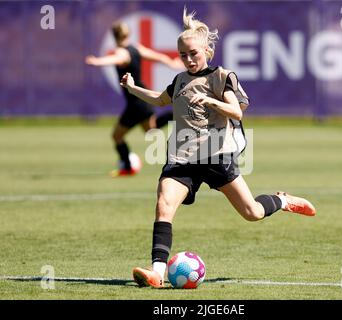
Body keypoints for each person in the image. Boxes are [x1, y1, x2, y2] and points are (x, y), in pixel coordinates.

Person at [120, 8, 316, 288]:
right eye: (183, 55)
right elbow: (159, 100)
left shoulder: (221, 77)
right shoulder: (179, 81)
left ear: (207, 50)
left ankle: (282, 200)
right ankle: (157, 273)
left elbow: (236, 112)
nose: (188, 59)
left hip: (217, 156)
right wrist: (132, 87)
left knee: (253, 213)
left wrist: (212, 102)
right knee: (164, 206)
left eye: (193, 53)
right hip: (182, 158)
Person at [85, 22, 184, 177]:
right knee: (151, 130)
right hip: (141, 98)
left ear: (114, 36)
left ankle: (127, 166)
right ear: (127, 35)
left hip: (136, 102)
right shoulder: (137, 48)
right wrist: (171, 62)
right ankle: (177, 113)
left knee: (117, 136)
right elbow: (157, 56)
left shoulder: (122, 52)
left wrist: (98, 61)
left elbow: (116, 59)